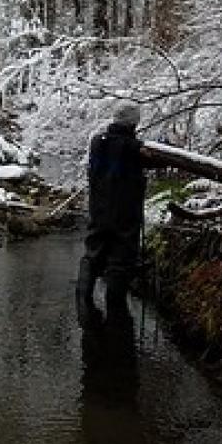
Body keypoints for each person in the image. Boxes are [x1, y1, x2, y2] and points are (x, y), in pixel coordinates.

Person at [76, 101, 146, 317]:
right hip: (126, 213)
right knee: (121, 260)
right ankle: (116, 310)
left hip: (99, 209)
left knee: (93, 252)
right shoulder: (135, 148)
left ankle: (83, 299)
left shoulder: (97, 142)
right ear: (134, 122)